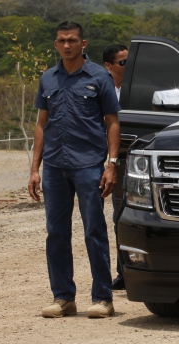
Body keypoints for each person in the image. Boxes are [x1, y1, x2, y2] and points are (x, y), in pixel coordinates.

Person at [28, 21, 121, 319]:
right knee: (56, 233)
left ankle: (102, 298)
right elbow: (42, 125)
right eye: (61, 40)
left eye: (71, 40)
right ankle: (63, 298)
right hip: (55, 167)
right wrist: (35, 169)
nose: (66, 45)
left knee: (94, 230)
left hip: (89, 165)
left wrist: (111, 164)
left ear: (84, 44)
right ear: (55, 44)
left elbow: (112, 122)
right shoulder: (48, 79)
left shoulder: (99, 77)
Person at [102, 43, 128, 291]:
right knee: (119, 215)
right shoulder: (103, 88)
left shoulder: (138, 87)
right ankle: (123, 271)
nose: (127, 66)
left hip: (136, 155)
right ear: (108, 66)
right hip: (116, 159)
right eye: (122, 62)